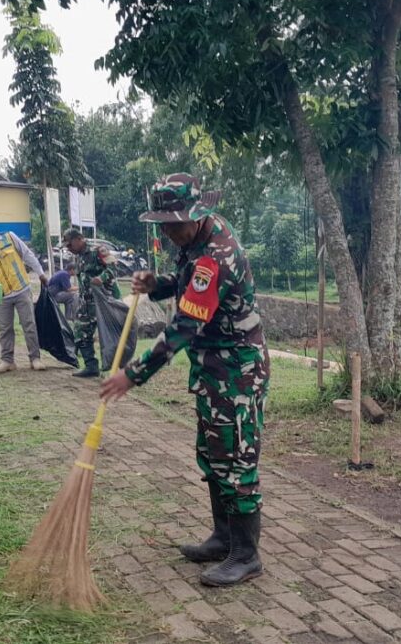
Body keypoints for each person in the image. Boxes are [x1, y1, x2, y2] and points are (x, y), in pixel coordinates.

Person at [100, 173, 269, 588]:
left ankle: (246, 555)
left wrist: (133, 375)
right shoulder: (197, 241)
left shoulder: (215, 256)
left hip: (237, 368)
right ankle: (224, 538)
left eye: (174, 224)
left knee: (235, 458)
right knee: (212, 453)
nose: (168, 233)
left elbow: (184, 327)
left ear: (196, 215)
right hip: (213, 365)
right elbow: (186, 284)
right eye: (163, 225)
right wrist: (156, 284)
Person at [0, 221, 47, 371]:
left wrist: (41, 274)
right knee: (4, 328)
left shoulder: (9, 238)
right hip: (1, 295)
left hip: (21, 289)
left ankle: (35, 358)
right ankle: (8, 361)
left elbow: (27, 255)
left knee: (29, 325)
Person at [64, 228, 120, 378]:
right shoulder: (79, 256)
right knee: (80, 332)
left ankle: (116, 368)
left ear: (79, 239)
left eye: (70, 245)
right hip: (87, 303)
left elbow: (114, 267)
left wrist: (101, 278)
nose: (69, 249)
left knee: (110, 335)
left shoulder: (98, 250)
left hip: (104, 301)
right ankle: (91, 366)